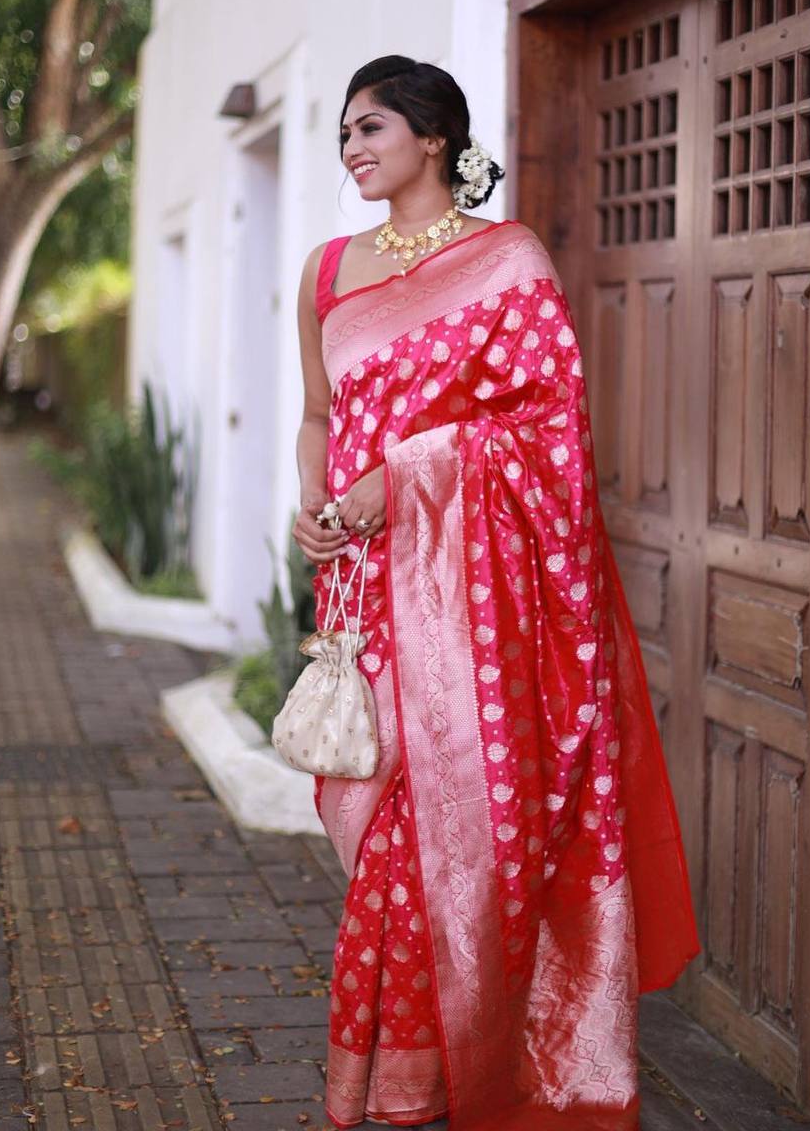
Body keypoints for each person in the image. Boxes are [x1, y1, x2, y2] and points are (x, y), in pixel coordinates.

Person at [292, 55, 699, 1131]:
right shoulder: (327, 269)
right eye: (343, 133)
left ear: (433, 137)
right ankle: (408, 1064)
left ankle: (430, 1073)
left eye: (371, 127)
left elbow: (550, 432)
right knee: (377, 821)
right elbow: (318, 415)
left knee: (444, 833)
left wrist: (411, 475)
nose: (353, 148)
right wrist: (314, 505)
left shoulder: (504, 259)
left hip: (475, 601)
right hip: (367, 589)